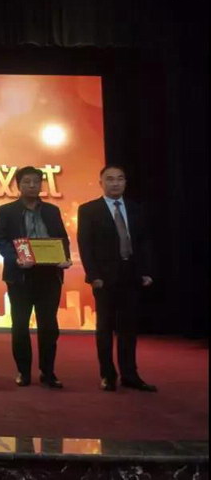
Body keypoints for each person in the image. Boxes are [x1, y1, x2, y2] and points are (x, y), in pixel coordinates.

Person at [77, 165, 157, 392]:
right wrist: (93, 275)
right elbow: (85, 245)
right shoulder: (89, 210)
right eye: (110, 179)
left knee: (128, 329)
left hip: (131, 274)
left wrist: (146, 271)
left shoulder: (135, 208)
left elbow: (144, 242)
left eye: (120, 179)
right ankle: (107, 375)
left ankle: (130, 375)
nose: (115, 183)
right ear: (100, 183)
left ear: (125, 182)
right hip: (104, 278)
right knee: (105, 328)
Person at [0, 166, 71, 389]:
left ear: (41, 185)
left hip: (49, 276)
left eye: (36, 182)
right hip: (20, 276)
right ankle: (23, 372)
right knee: (20, 325)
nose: (31, 186)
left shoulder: (52, 210)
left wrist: (64, 257)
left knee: (49, 327)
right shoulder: (6, 211)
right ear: (18, 185)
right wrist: (15, 258)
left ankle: (48, 372)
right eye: (26, 182)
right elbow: (0, 241)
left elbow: (62, 238)